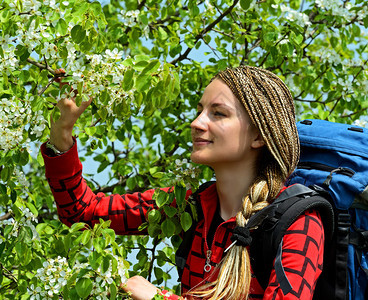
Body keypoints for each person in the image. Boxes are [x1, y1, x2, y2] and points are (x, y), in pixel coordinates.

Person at [41, 66, 325, 299]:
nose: (197, 123)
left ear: (258, 137)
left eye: (218, 113)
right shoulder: (190, 206)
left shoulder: (298, 222)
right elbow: (83, 213)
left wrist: (159, 298)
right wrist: (61, 134)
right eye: (200, 110)